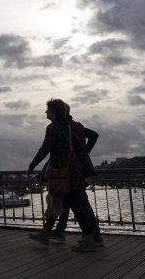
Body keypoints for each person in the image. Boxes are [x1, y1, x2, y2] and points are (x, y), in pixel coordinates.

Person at [27, 98, 96, 252]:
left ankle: (89, 239)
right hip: (73, 172)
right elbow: (80, 147)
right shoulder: (69, 127)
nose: (46, 111)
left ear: (54, 112)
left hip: (62, 173)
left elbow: (45, 148)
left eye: (48, 109)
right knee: (58, 202)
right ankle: (46, 234)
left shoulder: (53, 127)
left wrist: (32, 165)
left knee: (72, 205)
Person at [51, 105, 103, 247]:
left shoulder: (65, 126)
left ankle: (94, 235)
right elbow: (94, 135)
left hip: (70, 169)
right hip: (77, 168)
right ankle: (61, 231)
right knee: (70, 202)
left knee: (78, 202)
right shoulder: (77, 125)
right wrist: (86, 152)